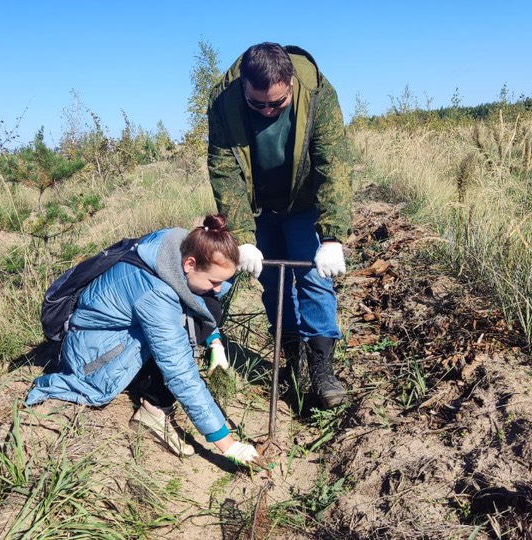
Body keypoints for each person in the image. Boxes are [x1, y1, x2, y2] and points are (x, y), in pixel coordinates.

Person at [25, 215, 260, 467]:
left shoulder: (175, 245)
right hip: (93, 355)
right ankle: (154, 411)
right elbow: (179, 371)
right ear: (190, 264)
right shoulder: (155, 294)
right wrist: (227, 444)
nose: (218, 288)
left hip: (113, 330)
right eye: (215, 281)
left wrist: (214, 341)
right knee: (175, 351)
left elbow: (200, 303)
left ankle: (147, 388)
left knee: (204, 312)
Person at [207, 42, 352, 408]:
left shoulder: (318, 92)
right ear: (243, 87)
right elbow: (224, 171)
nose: (269, 111)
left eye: (278, 103)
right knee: (271, 281)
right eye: (259, 104)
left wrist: (333, 235)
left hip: (302, 203)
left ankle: (322, 369)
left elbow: (332, 163)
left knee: (313, 278)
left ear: (290, 83)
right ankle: (290, 360)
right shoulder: (223, 102)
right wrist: (241, 237)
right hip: (259, 207)